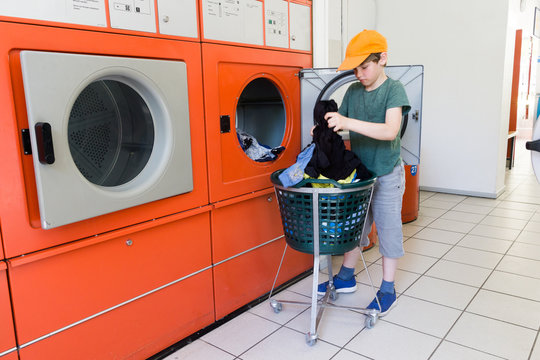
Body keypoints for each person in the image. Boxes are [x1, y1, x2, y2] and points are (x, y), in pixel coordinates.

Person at [316, 29, 410, 316]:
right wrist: (325, 128)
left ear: (382, 59)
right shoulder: (354, 91)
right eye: (355, 69)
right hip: (360, 176)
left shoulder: (394, 90)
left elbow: (390, 130)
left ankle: (388, 289)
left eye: (364, 67)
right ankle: (345, 277)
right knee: (355, 227)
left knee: (388, 230)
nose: (359, 74)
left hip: (387, 174)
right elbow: (341, 125)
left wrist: (346, 121)